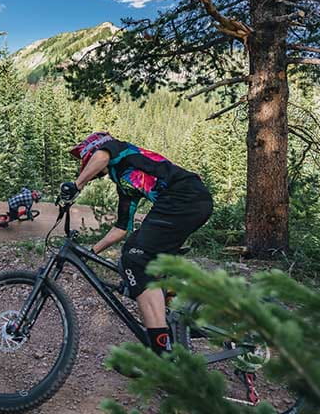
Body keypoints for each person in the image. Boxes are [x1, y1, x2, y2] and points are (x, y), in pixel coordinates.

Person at [60, 132, 213, 355]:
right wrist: (90, 251)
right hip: (187, 203)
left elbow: (102, 156)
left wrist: (77, 184)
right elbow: (121, 229)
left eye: (85, 157)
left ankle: (161, 351)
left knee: (134, 259)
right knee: (136, 255)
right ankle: (173, 313)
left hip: (182, 198)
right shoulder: (125, 184)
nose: (84, 163)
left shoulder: (119, 150)